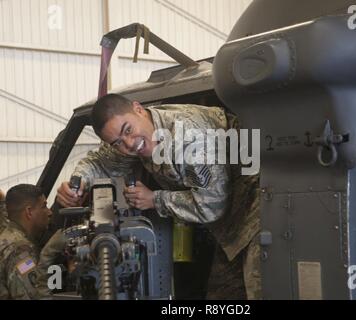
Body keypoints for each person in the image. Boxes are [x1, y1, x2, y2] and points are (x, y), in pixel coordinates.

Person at [56, 94, 261, 299]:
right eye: (118, 142)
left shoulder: (189, 136)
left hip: (256, 213)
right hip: (228, 229)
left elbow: (211, 206)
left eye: (128, 130)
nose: (129, 144)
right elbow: (99, 162)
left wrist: (154, 199)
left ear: (138, 109)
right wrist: (78, 181)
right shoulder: (133, 136)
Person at [0, 184, 54, 299]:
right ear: (29, 212)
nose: (50, 212)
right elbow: (34, 296)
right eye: (44, 206)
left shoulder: (7, 234)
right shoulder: (21, 252)